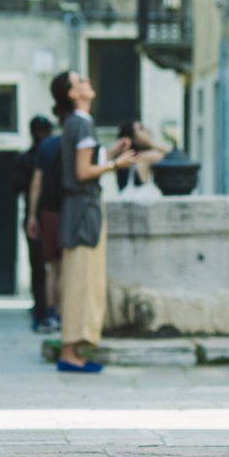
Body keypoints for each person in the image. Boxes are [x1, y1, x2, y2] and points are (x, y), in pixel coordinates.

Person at [52, 71, 135, 373]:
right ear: (73, 94)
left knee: (79, 278)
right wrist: (116, 164)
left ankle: (72, 348)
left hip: (77, 208)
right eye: (81, 81)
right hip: (84, 209)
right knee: (82, 280)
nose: (88, 82)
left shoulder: (74, 124)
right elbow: (83, 172)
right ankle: (71, 352)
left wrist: (111, 154)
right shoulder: (82, 123)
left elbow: (83, 165)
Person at [15, 115, 61, 333]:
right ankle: (43, 311)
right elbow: (25, 185)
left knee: (51, 266)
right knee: (41, 266)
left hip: (50, 213)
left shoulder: (49, 153)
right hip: (43, 215)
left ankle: (50, 312)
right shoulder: (29, 158)